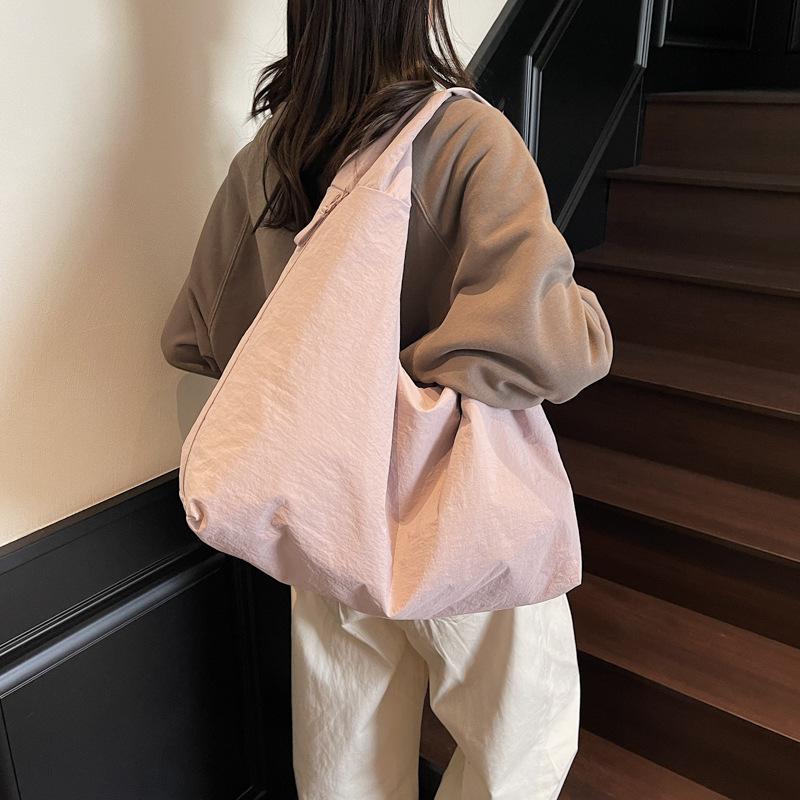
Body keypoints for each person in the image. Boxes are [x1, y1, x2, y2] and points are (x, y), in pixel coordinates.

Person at [160, 1, 613, 797]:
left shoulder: (266, 161)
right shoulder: (465, 140)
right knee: (519, 749)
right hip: (460, 512)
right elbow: (556, 348)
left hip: (325, 512)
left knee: (346, 761)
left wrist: (339, 378)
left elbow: (197, 337)